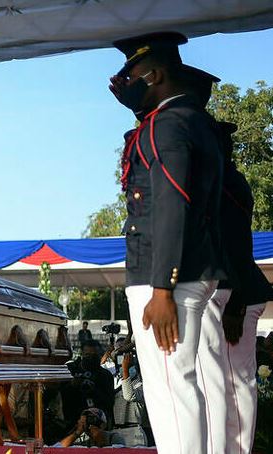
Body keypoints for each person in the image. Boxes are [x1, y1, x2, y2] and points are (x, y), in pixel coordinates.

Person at [109, 31, 227, 454]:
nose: (126, 85)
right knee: (184, 388)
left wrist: (163, 288)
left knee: (170, 394)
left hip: (166, 279)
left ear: (155, 74)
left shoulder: (167, 122)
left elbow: (171, 205)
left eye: (133, 75)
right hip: (186, 272)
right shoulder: (194, 121)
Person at [210, 119, 273, 454]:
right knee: (226, 383)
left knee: (238, 383)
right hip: (231, 291)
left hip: (238, 295)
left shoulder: (228, 183)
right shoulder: (220, 181)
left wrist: (234, 300)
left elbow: (235, 243)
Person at [62, 340, 115, 427]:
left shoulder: (105, 375)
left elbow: (109, 402)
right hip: (73, 419)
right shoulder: (71, 369)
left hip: (97, 422)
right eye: (87, 355)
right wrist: (72, 385)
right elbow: (59, 395)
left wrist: (94, 390)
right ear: (82, 354)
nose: (91, 358)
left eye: (94, 355)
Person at [58, 408, 125, 448]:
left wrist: (98, 436)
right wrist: (77, 432)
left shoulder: (114, 437)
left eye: (93, 419)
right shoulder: (81, 439)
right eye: (86, 419)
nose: (89, 422)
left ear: (103, 425)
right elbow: (59, 448)